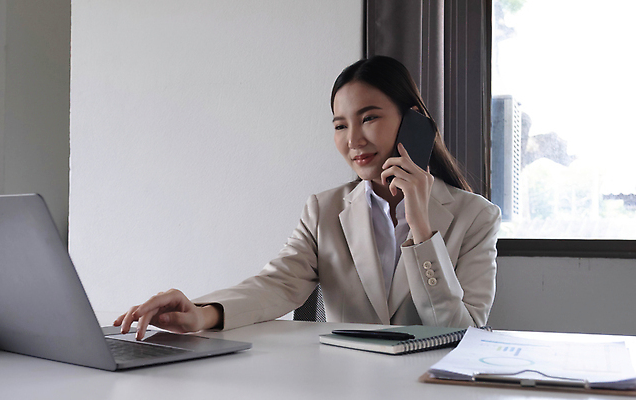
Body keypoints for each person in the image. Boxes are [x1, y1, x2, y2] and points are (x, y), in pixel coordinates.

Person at [114, 56, 500, 340]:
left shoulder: (476, 218)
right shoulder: (324, 210)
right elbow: (275, 285)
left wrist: (421, 229)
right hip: (343, 384)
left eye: (369, 118)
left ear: (412, 121)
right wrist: (201, 313)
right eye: (339, 125)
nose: (353, 141)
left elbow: (459, 331)